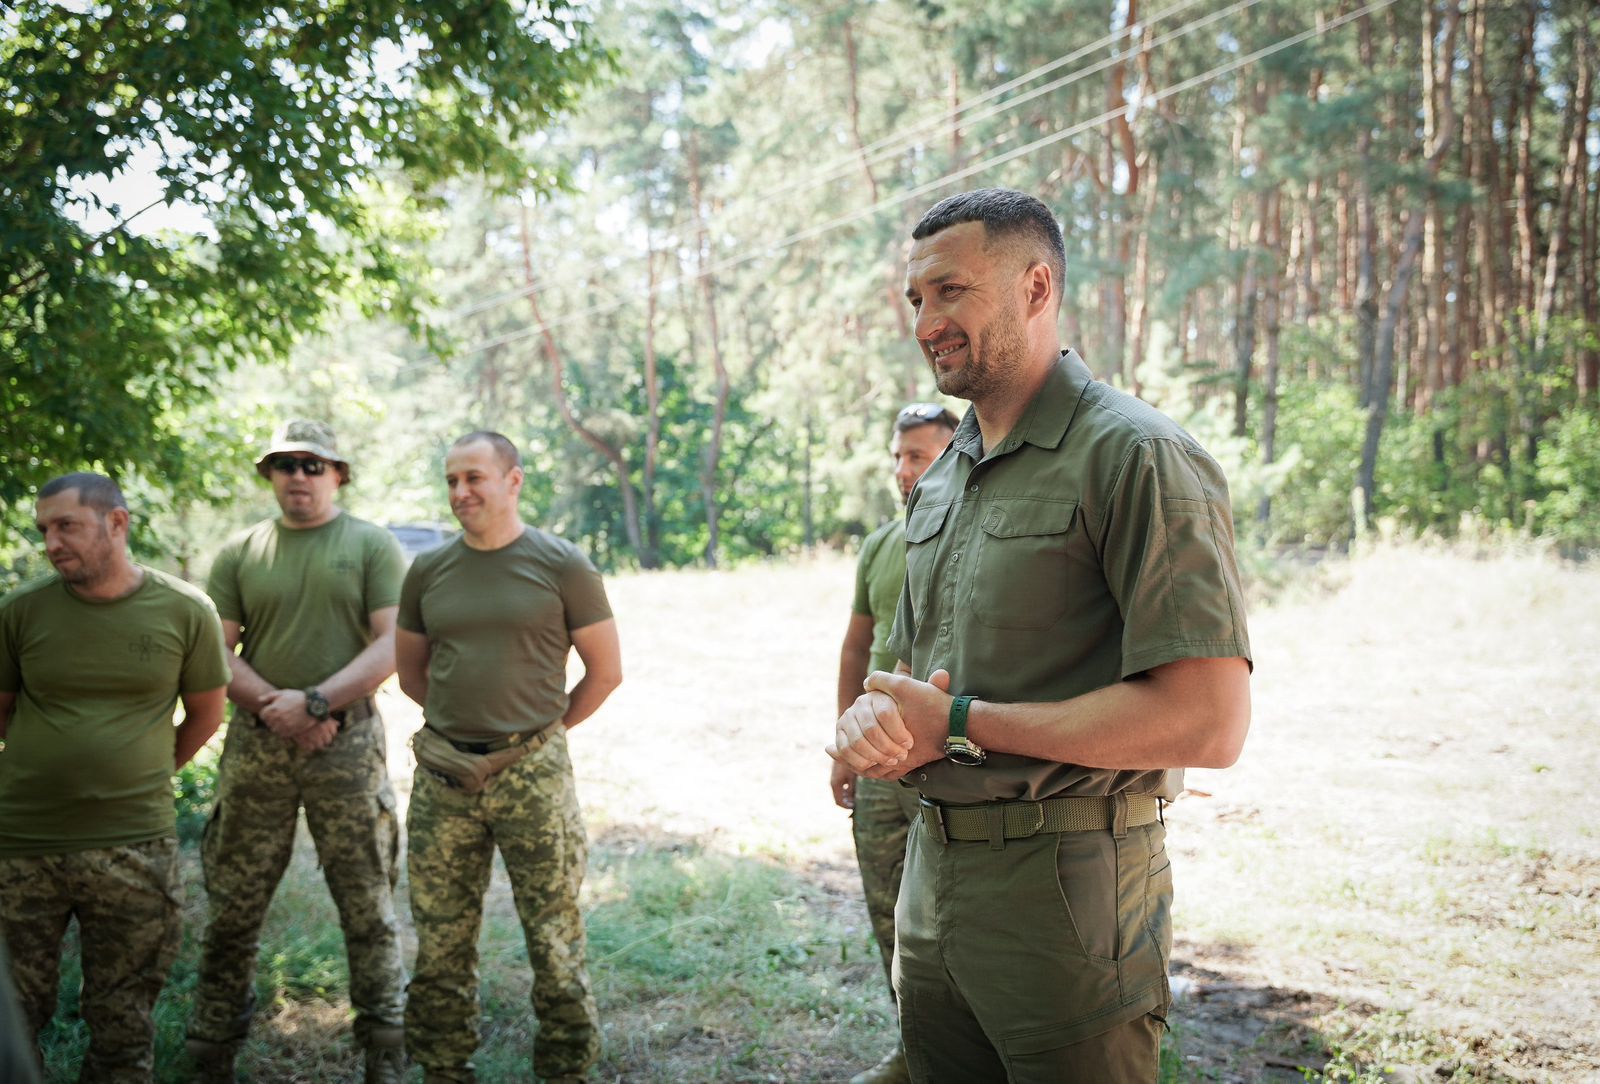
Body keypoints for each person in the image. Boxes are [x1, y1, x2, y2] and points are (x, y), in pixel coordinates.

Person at [828, 188, 1253, 1083]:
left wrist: (962, 721)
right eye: (916, 300)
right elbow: (909, 684)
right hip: (931, 878)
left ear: (1035, 286)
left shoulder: (1136, 455)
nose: (926, 321)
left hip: (1068, 891)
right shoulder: (943, 477)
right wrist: (875, 727)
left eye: (951, 292)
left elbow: (1208, 725)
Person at [395, 431, 622, 1084]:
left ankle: (565, 1070)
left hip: (533, 777)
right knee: (439, 944)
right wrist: (462, 729)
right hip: (444, 777)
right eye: (451, 481)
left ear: (513, 480)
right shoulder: (428, 571)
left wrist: (538, 737)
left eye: (474, 477)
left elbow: (604, 672)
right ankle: (443, 1068)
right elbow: (413, 674)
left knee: (554, 941)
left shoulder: (562, 565)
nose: (460, 492)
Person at [186, 420, 408, 1084]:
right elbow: (214, 649)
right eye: (284, 464)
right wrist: (275, 709)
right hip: (257, 748)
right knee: (232, 906)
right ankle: (210, 1049)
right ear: (270, 474)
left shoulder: (372, 545)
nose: (298, 476)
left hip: (347, 743)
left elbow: (392, 645)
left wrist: (313, 704)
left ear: (338, 474)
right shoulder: (240, 552)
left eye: (313, 465)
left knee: (367, 902)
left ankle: (385, 1049)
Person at [0, 472, 229, 1081]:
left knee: (123, 1023)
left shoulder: (185, 610)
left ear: (117, 524)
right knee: (13, 1022)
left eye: (66, 525)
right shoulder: (21, 612)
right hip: (24, 846)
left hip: (135, 845)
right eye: (44, 529)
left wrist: (143, 775)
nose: (51, 542)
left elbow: (206, 714)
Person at [830, 402, 958, 1084]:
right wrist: (844, 739)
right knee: (889, 911)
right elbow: (857, 643)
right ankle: (915, 1053)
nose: (905, 471)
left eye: (920, 456)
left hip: (945, 759)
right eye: (899, 458)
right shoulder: (881, 543)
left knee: (955, 918)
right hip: (877, 757)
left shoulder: (974, 537)